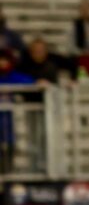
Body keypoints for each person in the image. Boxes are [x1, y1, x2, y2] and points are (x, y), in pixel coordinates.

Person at [18, 37, 63, 172]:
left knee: (47, 138)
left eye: (41, 50)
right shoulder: (25, 67)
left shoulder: (51, 66)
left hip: (49, 109)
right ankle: (34, 168)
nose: (38, 53)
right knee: (34, 139)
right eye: (35, 50)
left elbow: (55, 86)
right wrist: (34, 84)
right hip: (32, 107)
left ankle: (48, 167)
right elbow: (22, 85)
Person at [0, 48, 34, 173]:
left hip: (8, 120)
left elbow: (29, 81)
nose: (2, 63)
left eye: (4, 60)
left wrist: (38, 82)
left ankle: (8, 173)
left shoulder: (13, 76)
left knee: (9, 146)